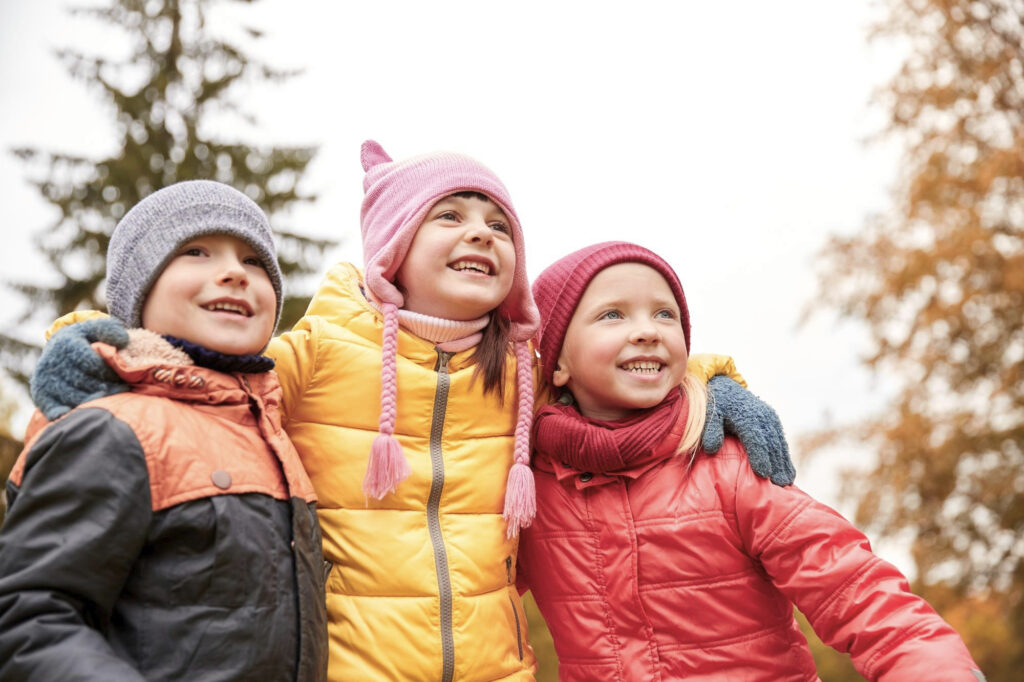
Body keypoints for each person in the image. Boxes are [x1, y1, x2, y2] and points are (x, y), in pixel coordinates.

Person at [26, 143, 793, 681]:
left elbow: (622, 366)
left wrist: (713, 382)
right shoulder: (319, 351)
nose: (480, 235)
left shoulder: (520, 373)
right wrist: (84, 344)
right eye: (451, 216)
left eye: (499, 225)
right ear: (392, 247)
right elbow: (201, 382)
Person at [518, 241, 984, 682]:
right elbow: (460, 588)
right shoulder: (530, 490)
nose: (647, 329)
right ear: (558, 363)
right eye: (612, 314)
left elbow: (852, 587)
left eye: (666, 314)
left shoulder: (727, 465)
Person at [0, 181, 328, 681]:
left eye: (253, 261)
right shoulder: (113, 426)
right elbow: (28, 618)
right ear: (140, 290)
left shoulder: (274, 438)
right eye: (195, 251)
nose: (233, 273)